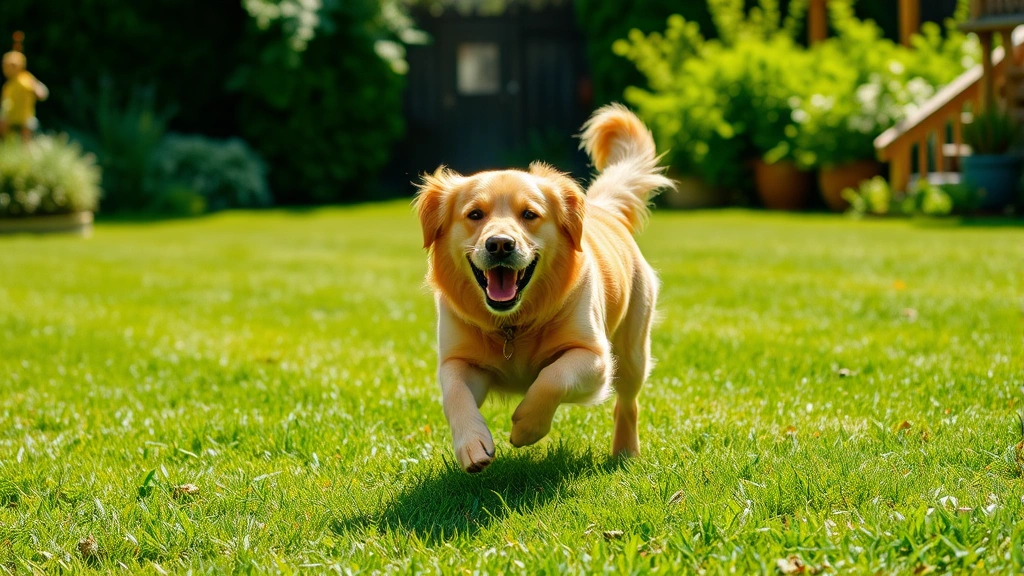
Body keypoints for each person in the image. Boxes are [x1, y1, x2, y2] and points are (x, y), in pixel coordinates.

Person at [1, 32, 49, 142]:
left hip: (25, 118)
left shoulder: (25, 79)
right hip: (11, 117)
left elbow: (42, 93)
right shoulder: (9, 84)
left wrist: (36, 88)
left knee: (26, 139)